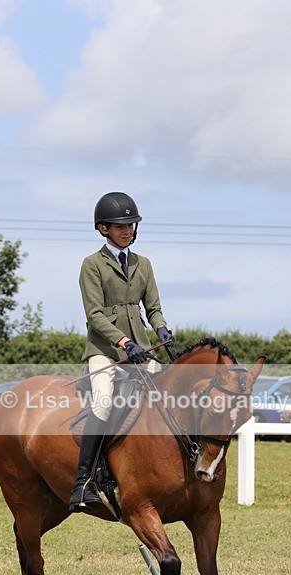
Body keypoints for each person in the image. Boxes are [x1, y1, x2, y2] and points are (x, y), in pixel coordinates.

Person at [69, 191, 174, 512]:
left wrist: (161, 328)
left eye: (131, 225)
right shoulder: (91, 265)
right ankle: (83, 481)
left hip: (139, 349)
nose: (128, 230)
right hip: (104, 350)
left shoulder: (144, 264)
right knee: (103, 401)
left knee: (171, 390)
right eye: (120, 226)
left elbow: (153, 308)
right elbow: (95, 316)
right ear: (103, 229)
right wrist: (124, 342)